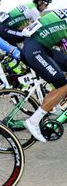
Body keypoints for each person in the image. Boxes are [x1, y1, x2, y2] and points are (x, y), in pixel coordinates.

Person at [22, 9, 67, 143]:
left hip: (38, 46)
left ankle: (54, 103)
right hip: (35, 50)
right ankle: (33, 121)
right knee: (63, 86)